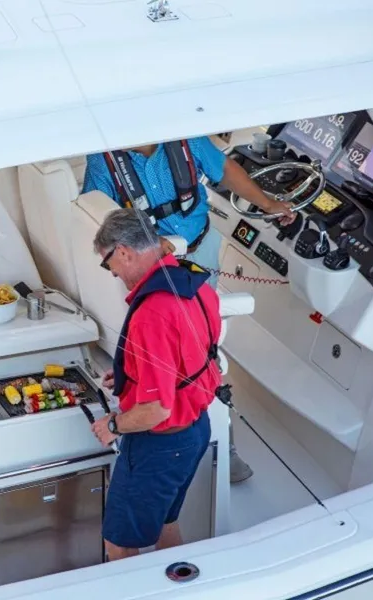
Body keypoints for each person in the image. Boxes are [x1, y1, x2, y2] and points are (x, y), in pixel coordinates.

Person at [83, 136, 292, 483]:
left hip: (199, 251)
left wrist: (267, 204)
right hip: (151, 263)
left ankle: (221, 445)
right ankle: (151, 428)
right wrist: (148, 245)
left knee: (204, 347)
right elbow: (104, 223)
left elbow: (224, 169)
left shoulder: (187, 136)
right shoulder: (100, 161)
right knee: (159, 351)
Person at [90, 208, 220, 561]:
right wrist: (133, 369)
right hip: (196, 432)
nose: (114, 273)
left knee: (119, 541)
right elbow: (193, 352)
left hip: (161, 445)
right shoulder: (195, 283)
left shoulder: (151, 312)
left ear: (123, 251)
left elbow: (155, 409)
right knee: (165, 523)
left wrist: (112, 425)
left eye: (109, 264)